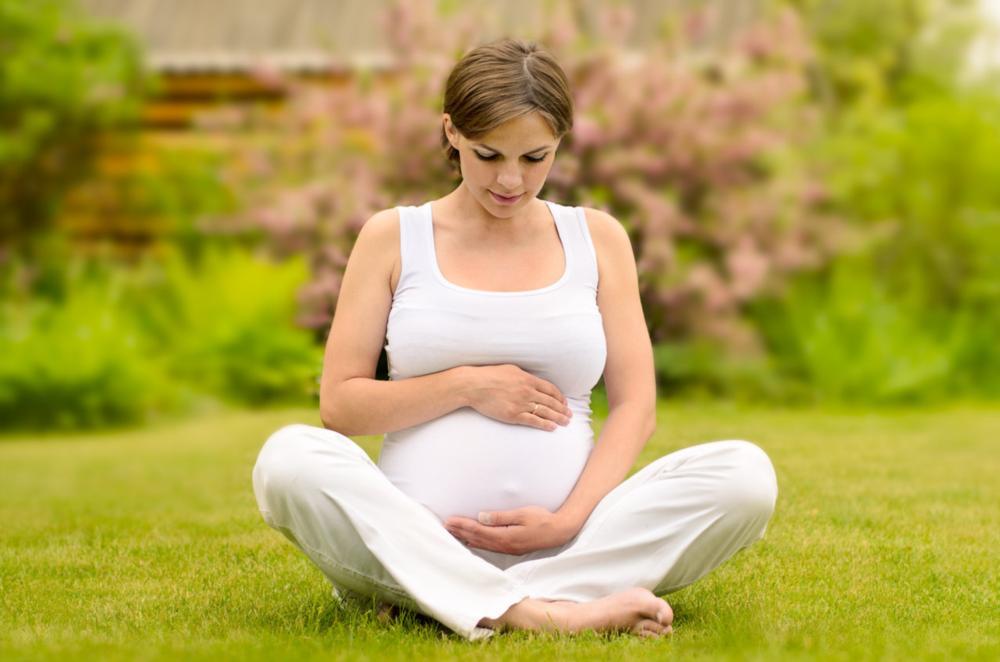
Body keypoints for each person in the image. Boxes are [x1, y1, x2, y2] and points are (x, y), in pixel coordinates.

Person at [252, 38, 778, 641]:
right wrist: (467, 386)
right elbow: (340, 407)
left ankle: (452, 598)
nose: (510, 180)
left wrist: (566, 521)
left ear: (561, 142)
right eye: (488, 154)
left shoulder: (598, 238)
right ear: (451, 132)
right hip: (416, 535)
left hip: (571, 542)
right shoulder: (394, 236)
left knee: (745, 474)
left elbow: (637, 407)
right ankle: (547, 612)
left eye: (535, 157)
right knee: (288, 458)